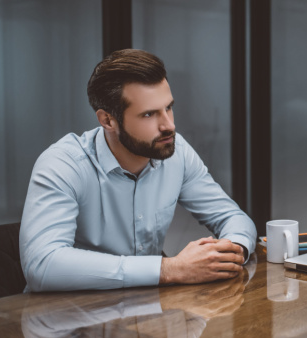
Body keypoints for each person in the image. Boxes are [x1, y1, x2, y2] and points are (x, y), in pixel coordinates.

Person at [20, 49, 257, 292]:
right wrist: (168, 269)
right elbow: (42, 266)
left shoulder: (176, 152)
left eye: (168, 108)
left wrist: (231, 251)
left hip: (147, 314)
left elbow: (232, 218)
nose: (169, 125)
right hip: (66, 319)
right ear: (108, 121)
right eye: (149, 114)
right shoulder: (63, 164)